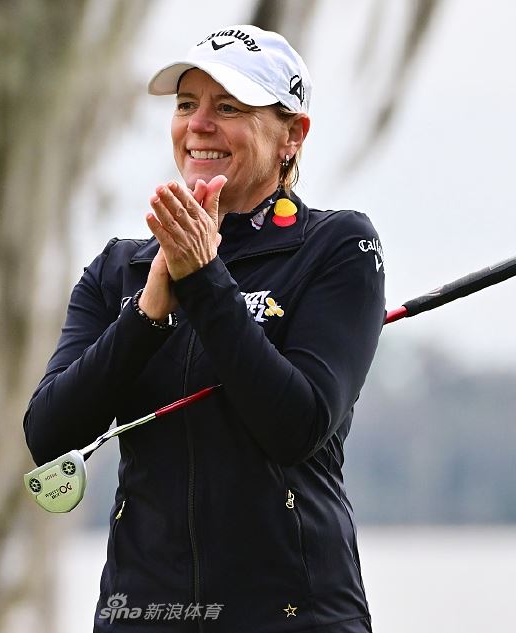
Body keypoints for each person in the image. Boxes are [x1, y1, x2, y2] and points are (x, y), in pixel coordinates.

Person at [24, 25, 385, 633]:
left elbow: (297, 426)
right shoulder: (119, 270)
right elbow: (49, 435)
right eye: (186, 104)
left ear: (292, 136)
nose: (198, 124)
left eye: (229, 108)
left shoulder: (337, 246)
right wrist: (148, 313)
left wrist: (204, 279)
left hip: (294, 618)